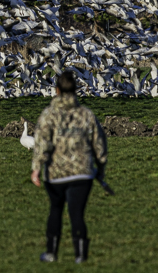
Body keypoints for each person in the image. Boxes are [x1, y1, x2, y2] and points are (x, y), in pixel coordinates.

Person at [31, 70, 107, 264]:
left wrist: (36, 168)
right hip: (83, 173)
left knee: (55, 210)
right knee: (77, 213)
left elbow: (42, 143)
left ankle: (51, 253)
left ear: (57, 90)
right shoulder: (86, 114)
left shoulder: (49, 114)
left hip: (55, 173)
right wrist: (100, 167)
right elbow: (99, 143)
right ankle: (80, 255)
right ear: (75, 90)